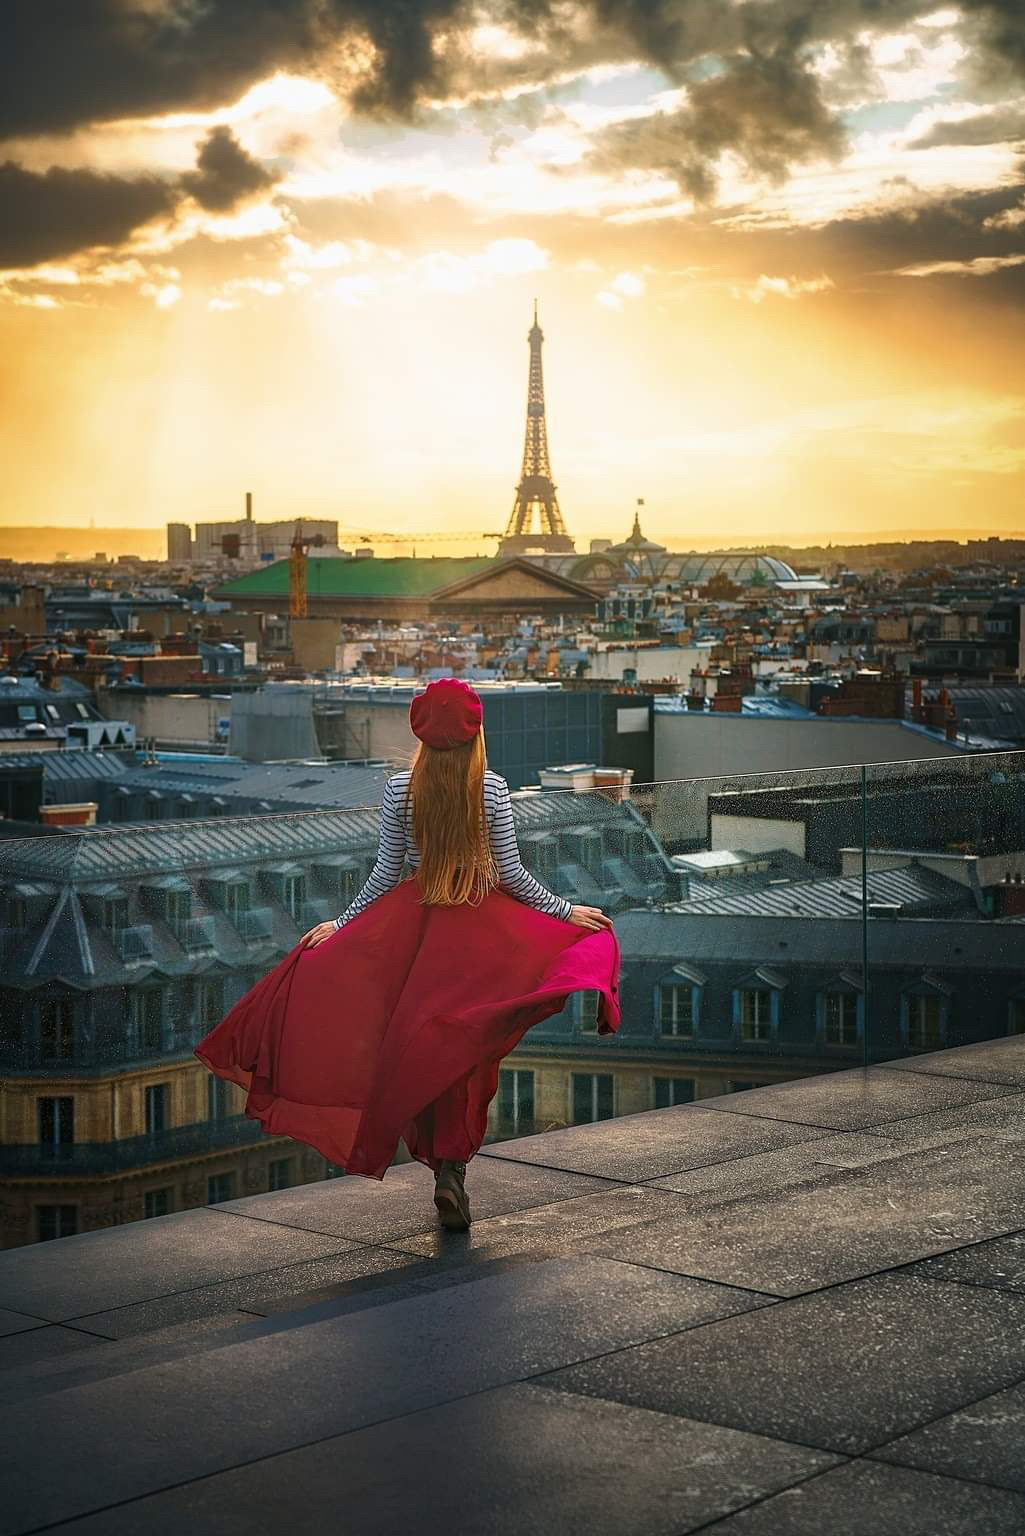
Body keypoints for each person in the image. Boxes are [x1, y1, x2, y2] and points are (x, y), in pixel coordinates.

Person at [195, 677, 621, 1232]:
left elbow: (385, 873)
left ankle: (445, 1171)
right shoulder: (490, 788)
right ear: (476, 733)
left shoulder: (402, 789)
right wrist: (567, 913)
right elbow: (513, 877)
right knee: (464, 1053)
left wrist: (342, 927)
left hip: (414, 930)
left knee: (415, 1046)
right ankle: (451, 1169)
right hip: (480, 932)